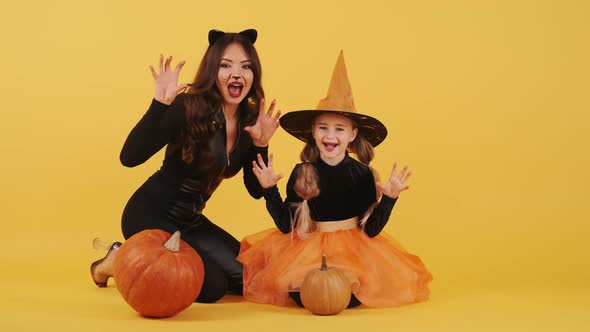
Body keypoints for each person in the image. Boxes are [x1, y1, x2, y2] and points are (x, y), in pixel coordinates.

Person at [90, 28, 281, 303]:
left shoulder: (250, 119)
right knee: (213, 287)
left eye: (245, 67)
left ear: (254, 74)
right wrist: (159, 105)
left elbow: (254, 189)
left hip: (191, 221)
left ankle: (131, 257)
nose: (236, 74)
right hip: (150, 214)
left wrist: (261, 144)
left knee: (246, 278)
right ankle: (120, 259)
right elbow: (129, 157)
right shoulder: (188, 107)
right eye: (225, 65)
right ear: (212, 71)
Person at [237, 51, 432, 308]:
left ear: (352, 134)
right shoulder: (302, 172)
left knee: (348, 293)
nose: (331, 136)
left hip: (353, 250)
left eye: (339, 129)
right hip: (308, 247)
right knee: (304, 291)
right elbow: (287, 226)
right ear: (313, 133)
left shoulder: (362, 175)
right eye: (323, 128)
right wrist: (269, 190)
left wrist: (390, 198)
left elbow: (370, 230)